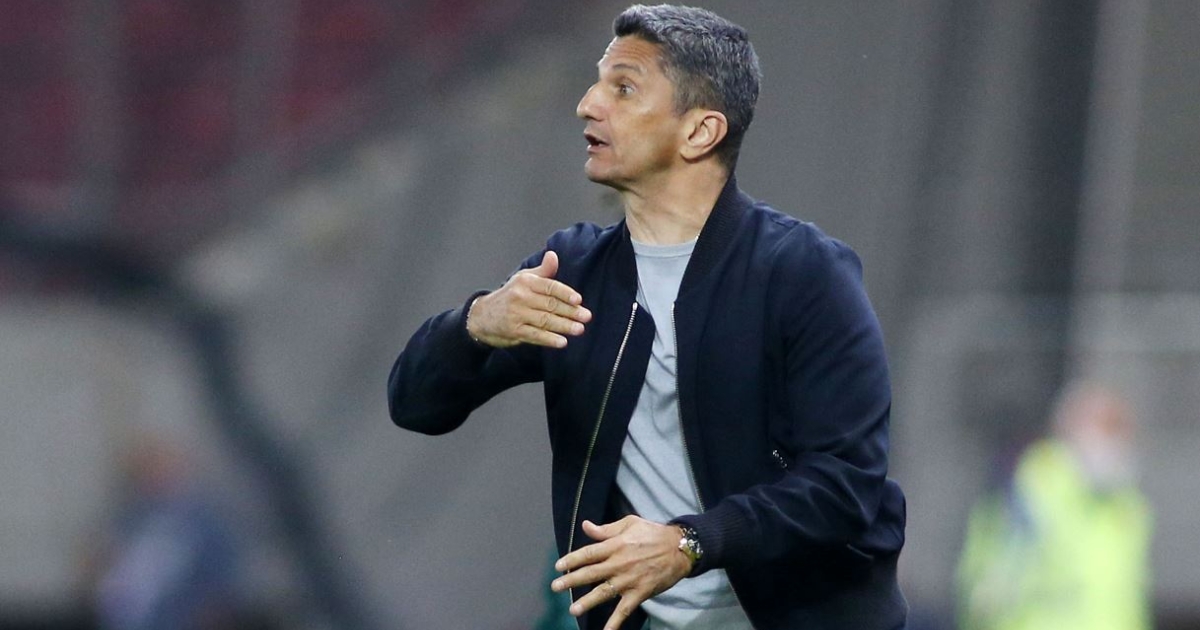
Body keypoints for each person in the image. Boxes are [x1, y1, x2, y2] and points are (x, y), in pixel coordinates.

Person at [388, 5, 907, 629]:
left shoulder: (803, 272)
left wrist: (689, 543)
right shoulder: (572, 272)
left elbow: (845, 486)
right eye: (597, 83)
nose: (587, 105)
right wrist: (473, 325)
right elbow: (414, 406)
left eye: (624, 88)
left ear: (700, 132)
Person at [956, 381, 1152, 630]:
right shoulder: (1033, 488)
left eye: (1116, 434)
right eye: (1102, 431)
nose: (1109, 448)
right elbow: (988, 587)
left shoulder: (1127, 506)